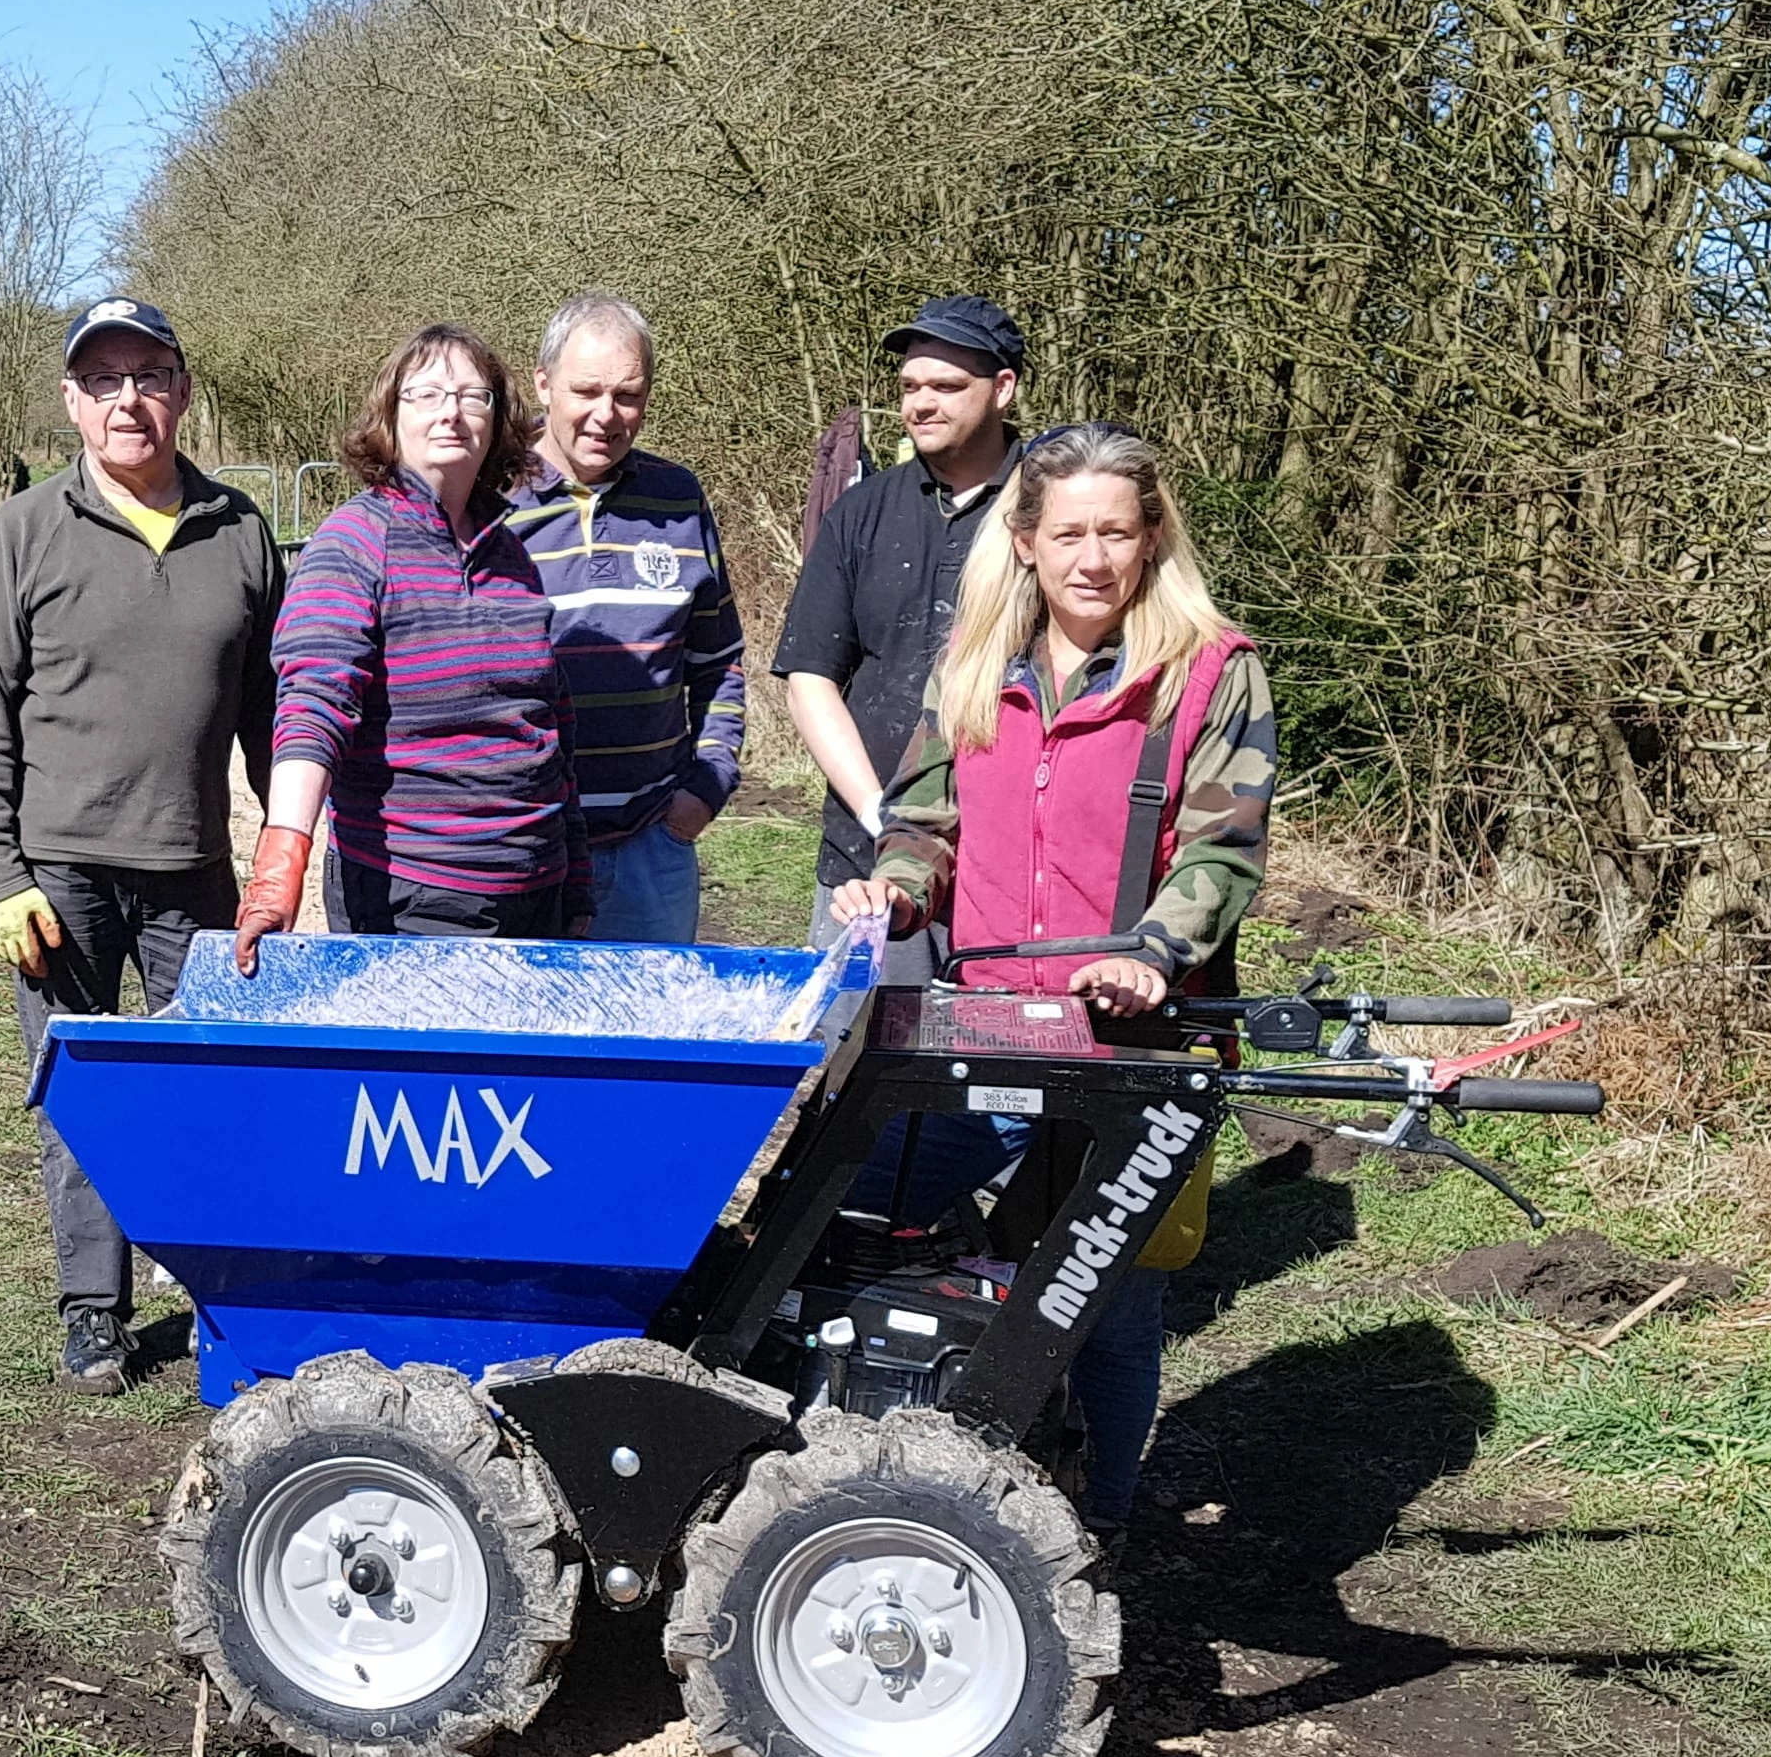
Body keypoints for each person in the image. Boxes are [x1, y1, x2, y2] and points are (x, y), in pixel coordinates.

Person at [829, 423, 1277, 1533]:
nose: (1092, 558)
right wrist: (893, 887)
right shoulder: (973, 663)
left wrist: (1152, 956)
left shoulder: (1215, 672)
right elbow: (924, 822)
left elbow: (1223, 853)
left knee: (1109, 1310)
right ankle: (870, 1479)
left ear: (1152, 536)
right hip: (978, 1022)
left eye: (1116, 532)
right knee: (836, 1220)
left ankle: (1102, 1528)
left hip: (1133, 1046)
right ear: (1024, 540)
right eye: (1068, 532)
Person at [0, 296, 285, 1394]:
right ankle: (93, 1311)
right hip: (61, 880)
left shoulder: (241, 534)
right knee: (86, 1101)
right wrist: (0, 877)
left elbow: (274, 720)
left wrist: (288, 848)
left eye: (149, 376)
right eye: (104, 381)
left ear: (183, 392)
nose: (128, 399)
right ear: (72, 403)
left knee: (213, 1095)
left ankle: (220, 1305)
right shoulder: (20, 534)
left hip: (193, 872)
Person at [239, 323, 587, 962]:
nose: (450, 412)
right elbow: (313, 708)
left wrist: (577, 874)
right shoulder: (352, 544)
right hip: (412, 895)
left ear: (498, 419)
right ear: (389, 419)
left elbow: (549, 724)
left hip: (539, 890)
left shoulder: (510, 553)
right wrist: (280, 862)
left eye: (471, 396)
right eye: (425, 394)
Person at [771, 295, 1030, 977]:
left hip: (1011, 880)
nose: (921, 404)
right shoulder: (860, 513)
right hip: (865, 872)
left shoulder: (1053, 510)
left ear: (1003, 389)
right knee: (854, 1072)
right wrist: (877, 814)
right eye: (911, 387)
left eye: (946, 386)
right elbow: (810, 678)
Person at [508, 292, 743, 944]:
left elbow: (718, 660)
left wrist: (708, 784)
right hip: (523, 854)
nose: (606, 416)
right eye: (587, 391)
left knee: (651, 1046)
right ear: (543, 383)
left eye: (628, 395)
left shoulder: (678, 497)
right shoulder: (485, 496)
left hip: (652, 852)